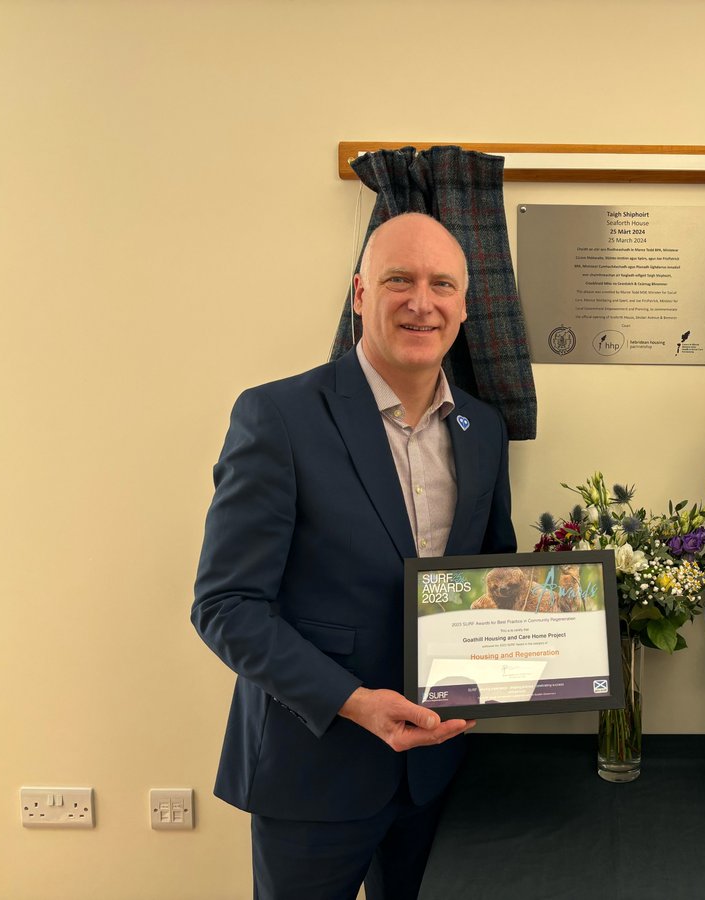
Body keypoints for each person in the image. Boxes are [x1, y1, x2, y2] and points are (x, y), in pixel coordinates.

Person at [192, 213, 515, 900]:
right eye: (399, 280)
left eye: (442, 284)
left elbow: (492, 575)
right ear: (361, 293)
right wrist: (355, 703)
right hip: (313, 768)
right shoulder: (277, 416)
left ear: (464, 305)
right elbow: (226, 606)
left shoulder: (482, 429)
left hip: (436, 769)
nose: (421, 302)